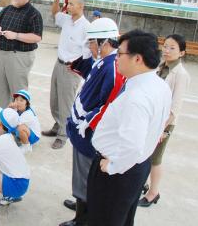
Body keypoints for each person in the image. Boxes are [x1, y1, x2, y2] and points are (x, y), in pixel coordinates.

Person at [87, 29, 171, 226]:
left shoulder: (137, 97)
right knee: (122, 217)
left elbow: (132, 145)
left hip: (117, 171)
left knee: (104, 219)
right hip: (138, 165)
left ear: (137, 59)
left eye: (120, 54)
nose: (116, 58)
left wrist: (114, 166)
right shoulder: (159, 85)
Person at [59, 18, 124, 226]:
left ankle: (83, 218)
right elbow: (92, 76)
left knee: (86, 177)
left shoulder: (112, 67)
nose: (90, 46)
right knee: (81, 175)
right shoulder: (103, 61)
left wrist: (87, 122)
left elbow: (109, 105)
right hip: (81, 130)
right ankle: (81, 204)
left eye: (92, 42)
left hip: (88, 133)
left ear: (105, 42)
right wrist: (79, 65)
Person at [139, 34, 190, 207]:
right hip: (152, 119)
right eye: (165, 46)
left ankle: (154, 193)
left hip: (165, 123)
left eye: (172, 48)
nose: (167, 51)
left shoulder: (180, 74)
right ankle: (143, 184)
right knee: (144, 153)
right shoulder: (160, 67)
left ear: (182, 53)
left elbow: (175, 108)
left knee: (155, 158)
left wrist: (161, 128)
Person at [43, 0, 90, 149]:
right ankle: (58, 125)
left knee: (66, 103)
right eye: (68, 3)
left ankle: (63, 135)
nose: (68, 6)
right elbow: (55, 13)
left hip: (71, 69)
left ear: (81, 7)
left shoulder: (86, 27)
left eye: (71, 4)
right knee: (54, 99)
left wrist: (77, 67)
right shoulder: (67, 20)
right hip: (59, 63)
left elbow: (89, 52)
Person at [0, 0, 43, 108]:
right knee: (0, 90)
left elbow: (37, 37)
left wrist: (16, 35)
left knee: (18, 93)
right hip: (1, 53)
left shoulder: (34, 14)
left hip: (18, 56)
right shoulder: (7, 9)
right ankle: (3, 119)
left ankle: (19, 120)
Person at [9, 90, 41, 154]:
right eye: (16, 100)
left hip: (34, 136)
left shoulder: (28, 114)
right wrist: (9, 108)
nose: (18, 102)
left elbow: (14, 125)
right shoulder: (17, 109)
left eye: (21, 100)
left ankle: (26, 146)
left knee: (20, 128)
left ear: (27, 103)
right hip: (27, 131)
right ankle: (19, 140)